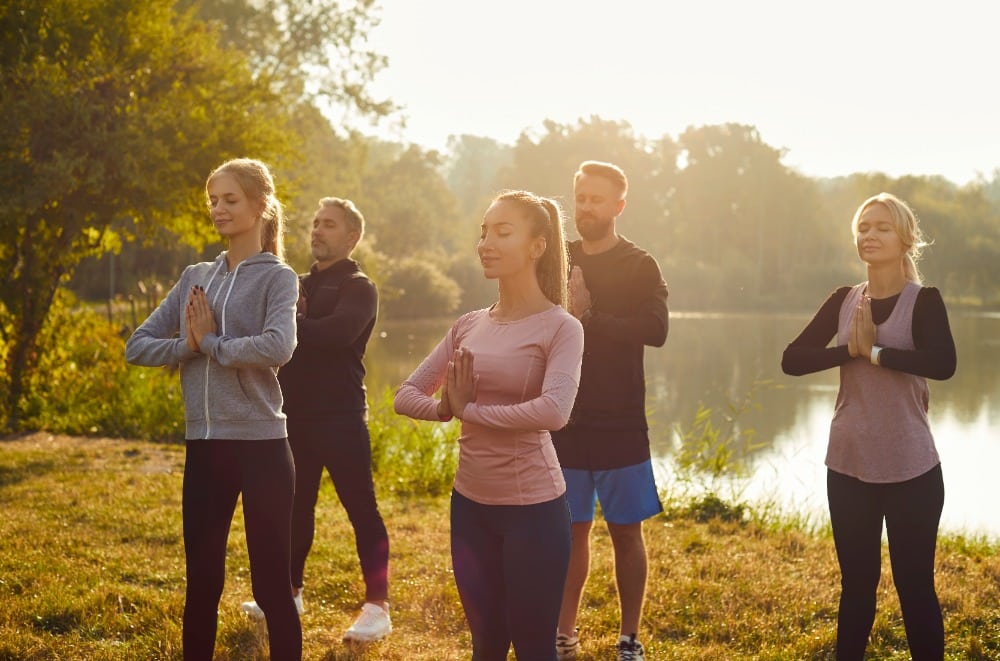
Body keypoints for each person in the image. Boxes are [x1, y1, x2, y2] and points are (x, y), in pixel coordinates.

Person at [394, 190, 584, 660]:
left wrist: (469, 411)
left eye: (502, 232)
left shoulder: (561, 327)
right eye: (483, 232)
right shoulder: (469, 324)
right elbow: (405, 395)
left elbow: (554, 411)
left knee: (535, 648)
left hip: (534, 512)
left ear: (537, 246)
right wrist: (445, 408)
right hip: (471, 508)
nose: (486, 243)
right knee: (486, 646)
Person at [125, 158, 301, 660]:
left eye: (230, 200)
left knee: (272, 589)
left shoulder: (279, 278)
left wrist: (215, 344)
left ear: (260, 205)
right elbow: (137, 345)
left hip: (263, 448)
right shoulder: (195, 277)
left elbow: (278, 346)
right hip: (205, 448)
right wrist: (190, 345)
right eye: (213, 200)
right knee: (201, 582)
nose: (218, 210)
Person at [781, 192, 956, 660]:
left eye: (880, 227)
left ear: (905, 239)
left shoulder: (924, 302)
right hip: (849, 466)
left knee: (915, 586)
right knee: (857, 586)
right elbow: (792, 360)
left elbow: (944, 363)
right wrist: (850, 350)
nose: (869, 235)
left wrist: (876, 354)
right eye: (863, 227)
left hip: (912, 470)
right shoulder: (843, 300)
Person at [238, 197, 391, 642]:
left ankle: (377, 607)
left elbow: (338, 333)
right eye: (315, 223)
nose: (317, 231)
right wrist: (292, 320)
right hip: (293, 418)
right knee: (293, 509)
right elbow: (267, 332)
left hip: (342, 419)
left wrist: (290, 323)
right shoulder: (295, 282)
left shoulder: (360, 287)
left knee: (362, 511)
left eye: (329, 224)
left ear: (351, 236)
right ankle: (290, 592)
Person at [552, 160, 668, 661]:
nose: (586, 208)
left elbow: (657, 329)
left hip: (621, 421)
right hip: (565, 420)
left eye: (597, 200)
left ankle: (629, 639)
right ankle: (563, 633)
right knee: (570, 531)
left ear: (619, 206)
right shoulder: (558, 257)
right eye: (581, 198)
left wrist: (591, 316)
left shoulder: (639, 264)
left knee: (626, 532)